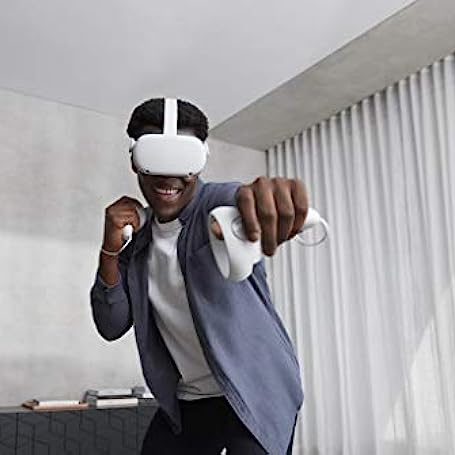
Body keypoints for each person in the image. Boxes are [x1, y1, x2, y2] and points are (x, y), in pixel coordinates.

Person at [90, 98, 306, 454]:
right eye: (156, 158)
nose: (169, 176)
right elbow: (110, 325)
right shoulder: (138, 242)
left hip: (253, 390)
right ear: (135, 160)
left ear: (201, 158)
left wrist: (266, 201)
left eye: (183, 160)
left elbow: (244, 200)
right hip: (187, 401)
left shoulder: (219, 204)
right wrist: (110, 248)